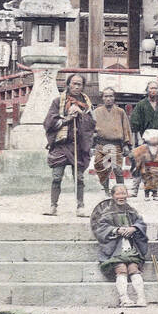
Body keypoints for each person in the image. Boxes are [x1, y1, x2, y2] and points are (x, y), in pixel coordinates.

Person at [43, 73, 94, 217]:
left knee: (79, 178)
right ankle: (53, 206)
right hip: (61, 145)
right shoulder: (58, 101)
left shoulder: (87, 103)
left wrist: (81, 114)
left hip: (78, 146)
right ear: (68, 84)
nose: (77, 87)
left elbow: (92, 124)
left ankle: (80, 206)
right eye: (74, 83)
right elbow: (49, 123)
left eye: (80, 84)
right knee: (57, 177)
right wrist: (67, 119)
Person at [92, 184, 149, 308]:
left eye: (123, 193)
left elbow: (141, 223)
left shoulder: (132, 211)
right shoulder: (107, 212)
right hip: (115, 249)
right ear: (112, 196)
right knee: (121, 269)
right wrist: (116, 230)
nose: (121, 196)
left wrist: (134, 228)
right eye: (118, 194)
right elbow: (101, 228)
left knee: (134, 269)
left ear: (127, 195)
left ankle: (141, 298)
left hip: (131, 247)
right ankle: (124, 299)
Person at [129, 81, 158, 196]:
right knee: (140, 163)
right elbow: (135, 122)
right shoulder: (141, 104)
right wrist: (140, 138)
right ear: (147, 90)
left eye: (155, 88)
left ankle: (155, 190)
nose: (153, 90)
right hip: (146, 137)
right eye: (151, 88)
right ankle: (135, 189)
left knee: (157, 165)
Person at [91, 87, 132, 193]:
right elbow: (90, 128)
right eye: (106, 96)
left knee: (117, 169)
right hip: (102, 146)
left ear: (114, 98)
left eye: (111, 96)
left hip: (116, 146)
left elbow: (126, 128)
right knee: (104, 169)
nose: (108, 98)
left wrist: (127, 144)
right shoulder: (96, 112)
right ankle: (106, 191)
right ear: (102, 98)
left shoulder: (120, 112)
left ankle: (121, 191)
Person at [130, 128, 158, 201]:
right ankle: (146, 195)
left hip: (157, 168)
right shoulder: (143, 147)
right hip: (146, 167)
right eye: (152, 138)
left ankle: (154, 194)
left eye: (156, 138)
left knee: (156, 181)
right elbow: (134, 153)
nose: (154, 140)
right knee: (146, 181)